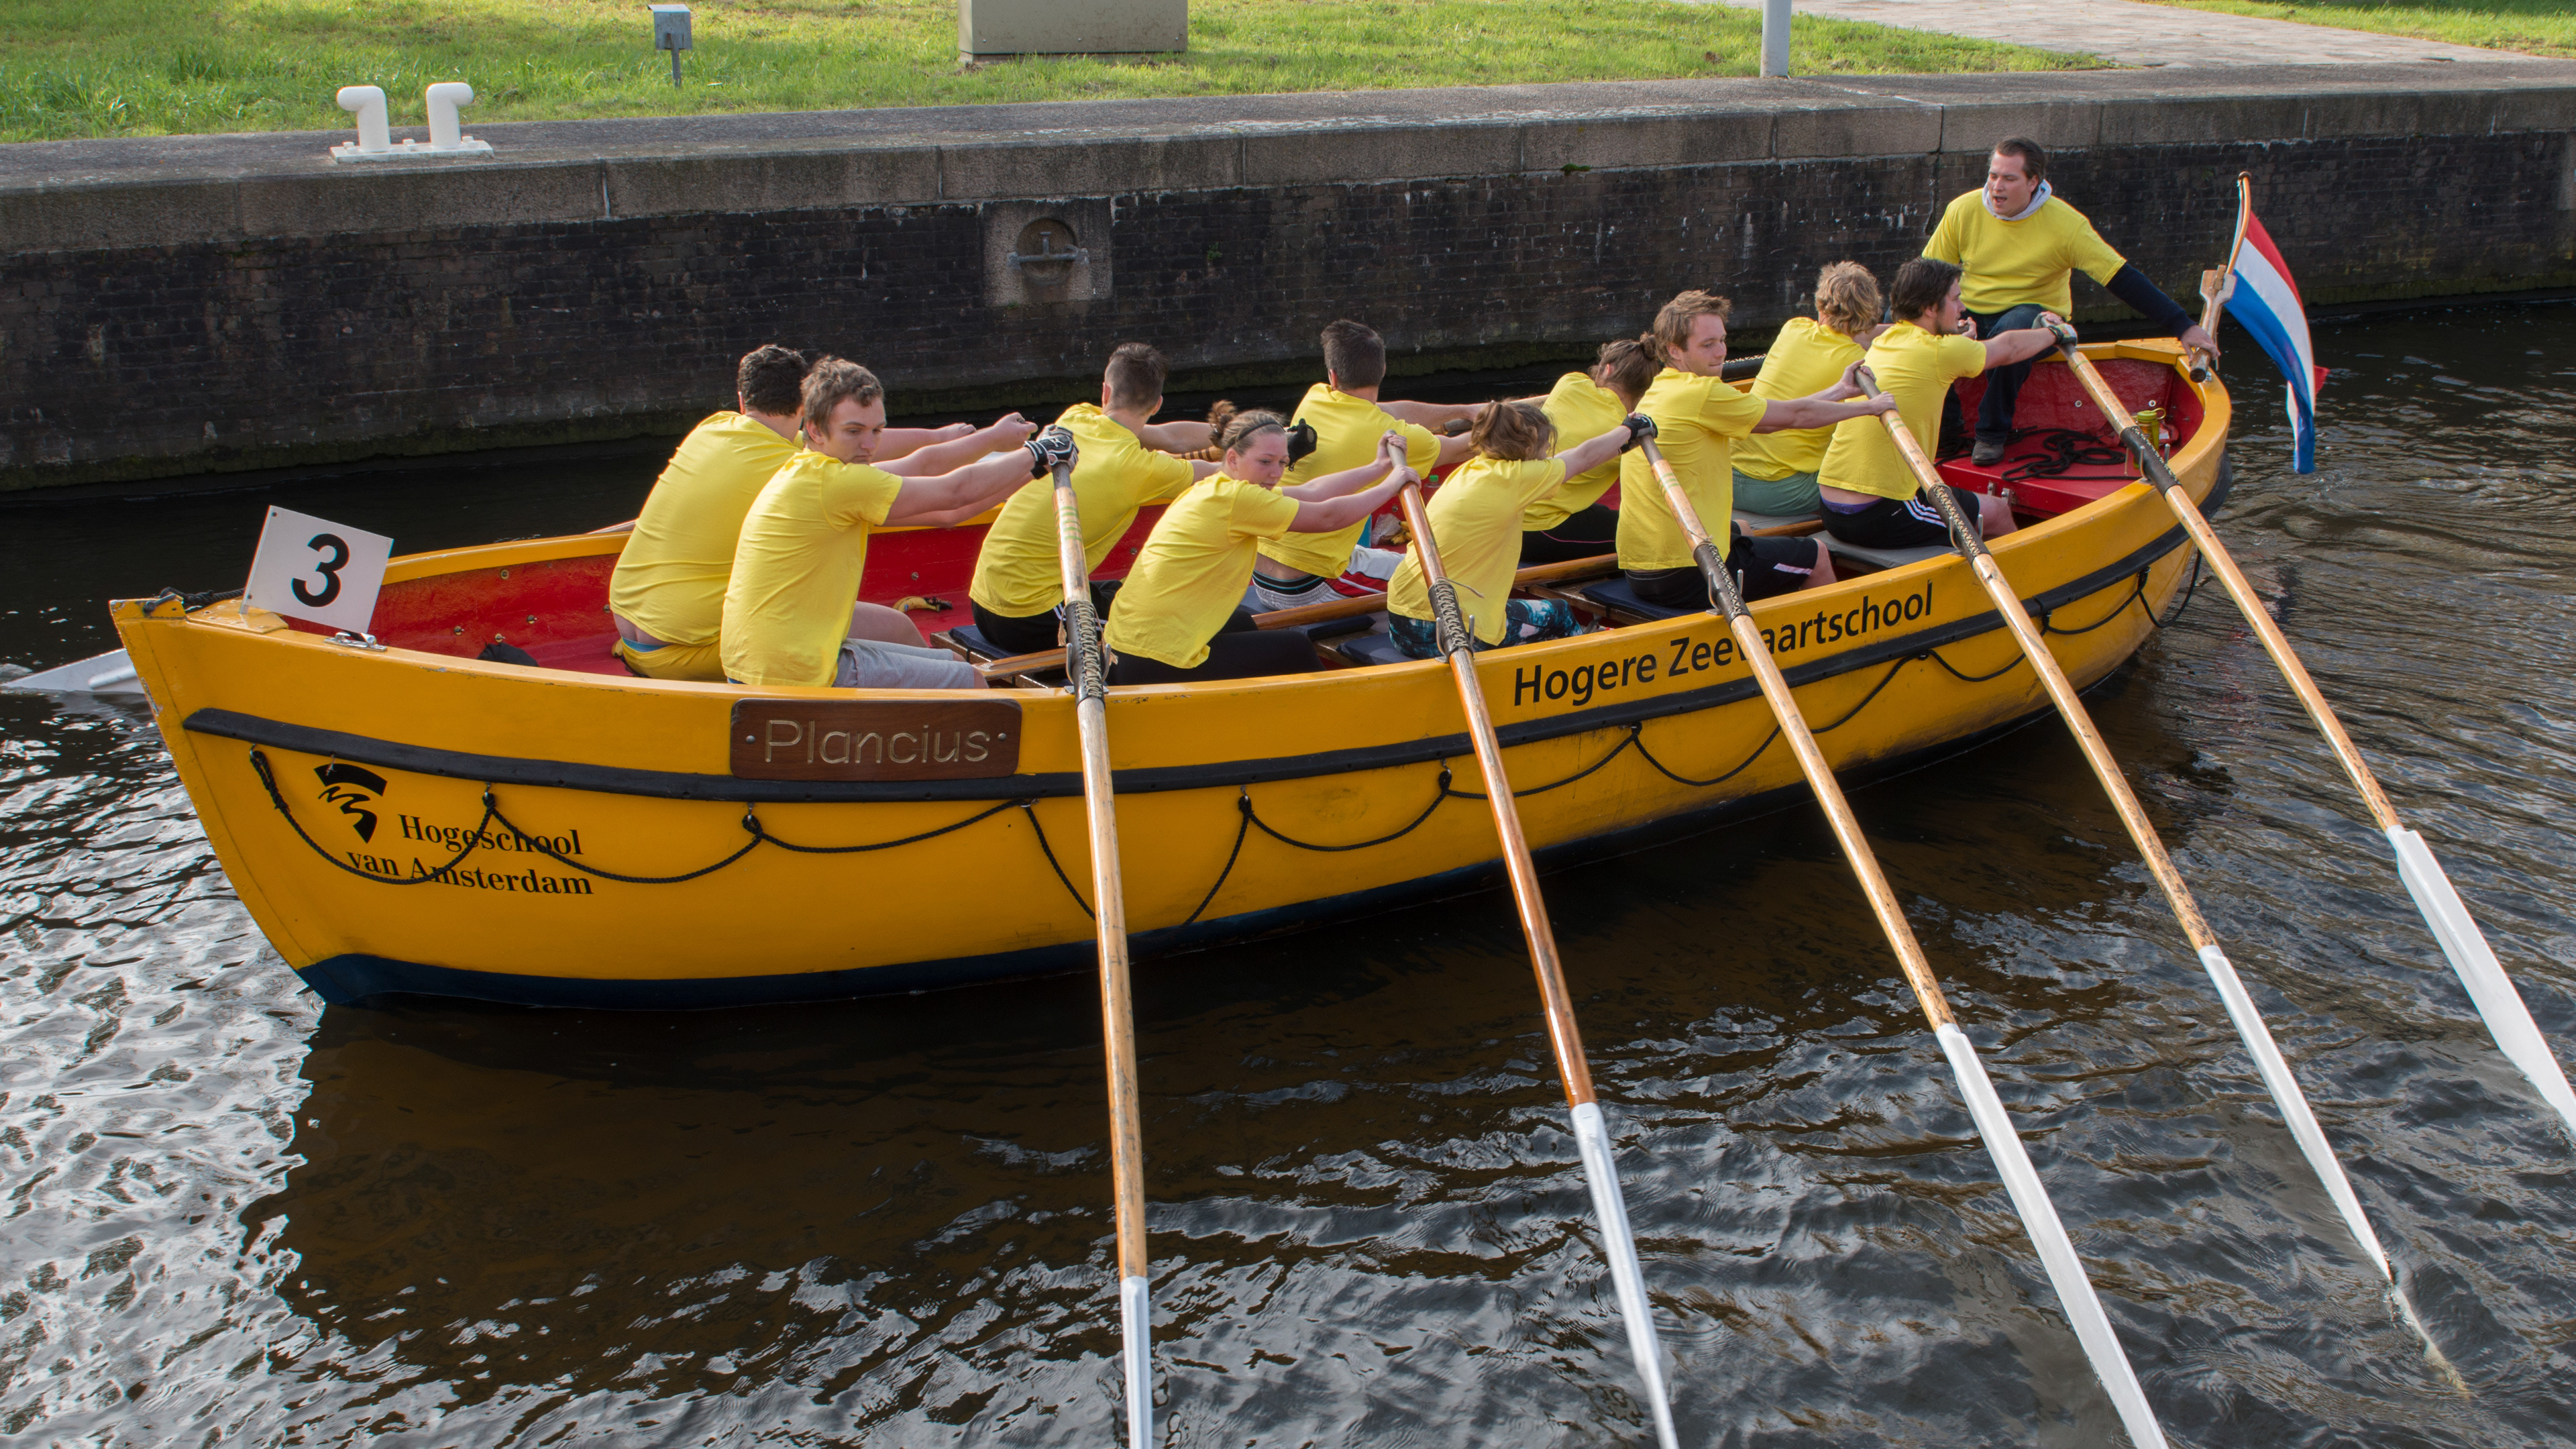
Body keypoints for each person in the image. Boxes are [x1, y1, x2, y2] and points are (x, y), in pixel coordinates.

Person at [607, 343, 1032, 680]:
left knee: (895, 629)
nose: (868, 443)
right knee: (901, 634)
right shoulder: (797, 471)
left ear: (741, 400)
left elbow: (878, 446)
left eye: (874, 431)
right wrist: (1010, 449)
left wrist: (941, 436)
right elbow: (943, 500)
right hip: (687, 649)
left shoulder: (715, 428)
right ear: (809, 413)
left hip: (629, 630)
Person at [720, 359, 1072, 690]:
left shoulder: (815, 471)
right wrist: (1038, 453)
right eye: (854, 431)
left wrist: (1033, 469)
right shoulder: (841, 484)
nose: (869, 445)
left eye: (877, 430)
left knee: (935, 651)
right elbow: (955, 492)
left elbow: (942, 501)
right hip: (790, 669)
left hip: (761, 655)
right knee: (971, 683)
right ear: (814, 429)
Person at [1925, 137, 2219, 465]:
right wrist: (1933, 320)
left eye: (2009, 179)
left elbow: (2121, 278)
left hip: (2034, 316)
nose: (1996, 187)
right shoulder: (1963, 209)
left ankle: (1991, 434)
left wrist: (2183, 326)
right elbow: (1928, 276)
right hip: (1971, 312)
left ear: (2033, 182)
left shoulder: (2067, 224)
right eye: (1993, 176)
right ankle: (1945, 427)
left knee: (2014, 329)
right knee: (1916, 321)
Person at [1615, 290, 1892, 610]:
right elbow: (1794, 417)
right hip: (1691, 571)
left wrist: (1841, 390)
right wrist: (1868, 407)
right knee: (1816, 556)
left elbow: (1782, 412)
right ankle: (1826, 632)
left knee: (1744, 529)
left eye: (1722, 340)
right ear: (1675, 351)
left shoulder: (1660, 388)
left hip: (1641, 568)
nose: (1721, 352)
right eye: (1708, 345)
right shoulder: (1703, 394)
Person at [1104, 413, 1413, 686]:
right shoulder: (1238, 500)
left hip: (1125, 644)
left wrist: (1378, 467)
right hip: (1152, 658)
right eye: (1265, 462)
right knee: (1294, 650)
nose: (1276, 473)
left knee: (1241, 623)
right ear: (1233, 459)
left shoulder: (1217, 488)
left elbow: (1312, 491)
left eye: (1283, 463)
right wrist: (1391, 485)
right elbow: (1328, 517)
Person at [966, 343, 1221, 657]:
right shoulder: (1141, 469)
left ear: (1105, 392)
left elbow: (1171, 438)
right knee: (1168, 617)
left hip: (982, 601)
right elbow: (1221, 472)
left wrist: (1229, 433)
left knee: (1126, 591)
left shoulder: (1075, 417)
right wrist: (1253, 444)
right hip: (1029, 618)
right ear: (1157, 405)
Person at [1815, 257, 2062, 552]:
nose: (1962, 308)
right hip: (1877, 513)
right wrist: (2055, 333)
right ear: (1931, 308)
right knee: (1996, 512)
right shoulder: (1941, 352)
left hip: (1830, 506)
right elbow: (2008, 348)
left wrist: (1955, 336)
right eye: (1955, 299)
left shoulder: (1884, 338)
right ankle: (2022, 576)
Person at [1248, 319, 1481, 612]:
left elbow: (1392, 410)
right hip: (1310, 585)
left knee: (1404, 562)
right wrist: (1508, 424)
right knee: (1453, 579)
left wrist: (1467, 411)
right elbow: (1464, 447)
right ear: (1382, 370)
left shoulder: (1316, 397)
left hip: (1261, 574)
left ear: (1333, 376)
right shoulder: (1394, 435)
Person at [1385, 400, 1638, 659]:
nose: (1547, 455)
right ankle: (1586, 665)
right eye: (1545, 448)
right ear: (1530, 447)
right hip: (1442, 631)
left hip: (1399, 617)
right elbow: (1582, 458)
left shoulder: (1472, 469)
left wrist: (1624, 438)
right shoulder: (1516, 479)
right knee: (1559, 614)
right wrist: (1631, 429)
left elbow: (1566, 459)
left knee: (1523, 615)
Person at [1728, 262, 1889, 519]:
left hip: (1729, 478)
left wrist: (1903, 331)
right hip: (1779, 491)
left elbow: (1853, 335)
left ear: (1821, 303)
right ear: (1869, 312)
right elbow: (1859, 337)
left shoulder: (1794, 328)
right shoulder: (1858, 361)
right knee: (1878, 481)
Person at [1516, 338, 1660, 564]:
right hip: (1537, 529)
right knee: (1646, 534)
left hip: (1510, 515)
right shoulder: (1626, 435)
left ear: (1607, 369)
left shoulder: (1569, 383)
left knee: (1602, 514)